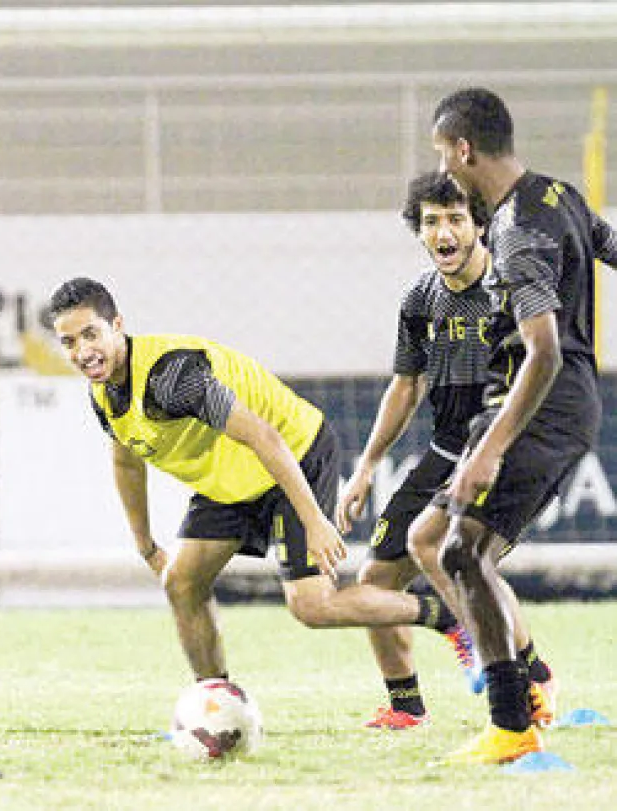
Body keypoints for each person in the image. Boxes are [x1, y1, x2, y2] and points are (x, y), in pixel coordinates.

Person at [48, 278, 466, 692]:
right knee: (180, 582)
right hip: (231, 481)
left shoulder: (173, 377)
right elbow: (126, 459)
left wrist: (315, 521)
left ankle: (449, 615)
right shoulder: (103, 392)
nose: (83, 352)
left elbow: (264, 436)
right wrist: (145, 545)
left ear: (117, 325)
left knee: (312, 605)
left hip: (295, 453)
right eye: (69, 342)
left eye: (91, 334)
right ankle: (214, 704)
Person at [414, 87, 617, 764]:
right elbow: (609, 248)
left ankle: (513, 721)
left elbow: (544, 349)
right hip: (560, 402)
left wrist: (488, 451)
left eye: (444, 155)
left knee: (460, 553)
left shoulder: (514, 229)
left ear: (464, 150)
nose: (444, 168)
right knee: (450, 546)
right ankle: (525, 695)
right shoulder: (559, 194)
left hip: (543, 403)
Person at [335, 172, 557, 730]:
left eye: (456, 219)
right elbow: (405, 387)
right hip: (444, 447)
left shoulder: (511, 290)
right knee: (374, 583)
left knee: (450, 552)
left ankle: (528, 676)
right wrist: (365, 467)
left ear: (480, 226)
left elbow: (549, 362)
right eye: (432, 221)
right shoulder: (420, 299)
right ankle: (405, 705)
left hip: (500, 446)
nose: (443, 231)